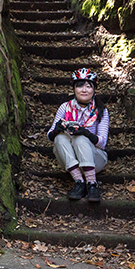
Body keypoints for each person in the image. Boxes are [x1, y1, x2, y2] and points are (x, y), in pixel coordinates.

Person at [46, 68, 108, 202]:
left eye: (88, 86)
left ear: (94, 89)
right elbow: (50, 136)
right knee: (60, 137)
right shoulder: (64, 107)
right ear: (74, 88)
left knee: (80, 138)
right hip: (70, 160)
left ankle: (92, 183)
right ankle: (79, 181)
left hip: (94, 158)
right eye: (80, 85)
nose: (84, 90)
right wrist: (57, 129)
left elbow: (103, 143)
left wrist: (85, 132)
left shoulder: (101, 110)